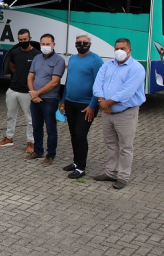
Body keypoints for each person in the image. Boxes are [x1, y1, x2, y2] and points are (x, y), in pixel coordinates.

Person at [92, 38, 146, 189]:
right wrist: (102, 101)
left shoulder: (137, 68)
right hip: (107, 113)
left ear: (130, 50)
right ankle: (110, 172)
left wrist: (107, 103)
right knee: (110, 144)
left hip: (126, 113)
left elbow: (126, 92)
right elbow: (98, 84)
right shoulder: (107, 65)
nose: (119, 51)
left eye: (122, 48)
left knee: (125, 146)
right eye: (117, 48)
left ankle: (123, 177)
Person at [60, 34, 104, 178]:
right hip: (70, 102)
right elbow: (68, 81)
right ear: (75, 44)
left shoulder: (96, 60)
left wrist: (93, 105)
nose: (82, 44)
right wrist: (63, 101)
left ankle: (81, 167)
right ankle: (75, 161)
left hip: (86, 105)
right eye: (79, 42)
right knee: (73, 134)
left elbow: (99, 85)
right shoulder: (72, 59)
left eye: (85, 42)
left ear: (90, 44)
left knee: (80, 134)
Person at [26, 33, 65, 165]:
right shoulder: (37, 58)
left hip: (49, 100)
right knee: (36, 126)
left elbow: (54, 82)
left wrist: (37, 93)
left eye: (48, 44)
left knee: (50, 128)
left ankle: (50, 155)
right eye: (43, 44)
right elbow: (30, 76)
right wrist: (32, 92)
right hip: (35, 99)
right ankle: (38, 151)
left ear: (53, 45)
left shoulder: (59, 60)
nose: (45, 46)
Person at [0, 29, 37, 153]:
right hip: (13, 89)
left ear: (30, 38)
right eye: (20, 40)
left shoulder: (36, 54)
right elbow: (12, 67)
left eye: (25, 39)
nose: (23, 41)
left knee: (30, 119)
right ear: (18, 40)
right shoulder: (15, 52)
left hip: (27, 91)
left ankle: (31, 142)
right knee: (10, 115)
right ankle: (9, 137)